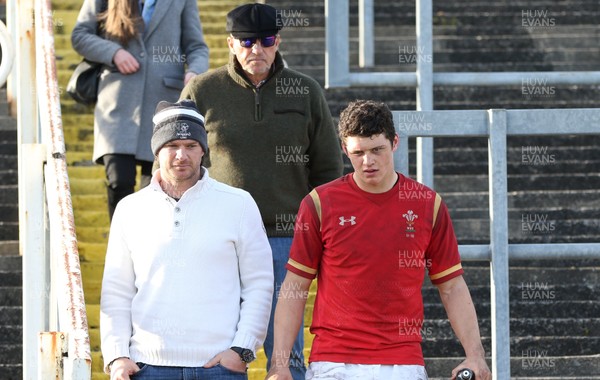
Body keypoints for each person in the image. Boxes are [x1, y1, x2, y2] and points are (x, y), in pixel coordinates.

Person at [266, 100, 492, 380]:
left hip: (403, 362)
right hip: (334, 362)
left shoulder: (427, 204)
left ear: (394, 142)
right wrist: (279, 364)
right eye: (358, 152)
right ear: (344, 149)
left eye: (377, 150)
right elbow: (295, 286)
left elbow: (452, 286)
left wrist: (475, 355)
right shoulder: (319, 203)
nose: (368, 161)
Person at [180, 3, 343, 378]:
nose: (258, 50)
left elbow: (327, 170)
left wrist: (322, 234)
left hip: (286, 239)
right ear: (230, 43)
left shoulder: (305, 90)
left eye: (267, 40)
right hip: (219, 237)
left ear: (278, 40)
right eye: (247, 41)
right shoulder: (202, 90)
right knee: (218, 347)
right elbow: (179, 158)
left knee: (286, 353)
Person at [100, 100, 273, 380]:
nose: (182, 155)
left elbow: (259, 283)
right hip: (147, 367)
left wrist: (242, 350)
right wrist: (118, 355)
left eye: (191, 145)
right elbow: (116, 291)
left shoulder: (238, 204)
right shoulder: (130, 208)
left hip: (219, 367)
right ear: (157, 151)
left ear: (203, 150)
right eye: (172, 146)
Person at [71, 0, 209, 220]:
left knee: (156, 188)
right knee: (119, 181)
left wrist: (195, 72)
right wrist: (113, 52)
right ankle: (121, 243)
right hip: (117, 104)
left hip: (163, 105)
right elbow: (79, 35)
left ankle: (150, 249)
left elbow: (197, 47)